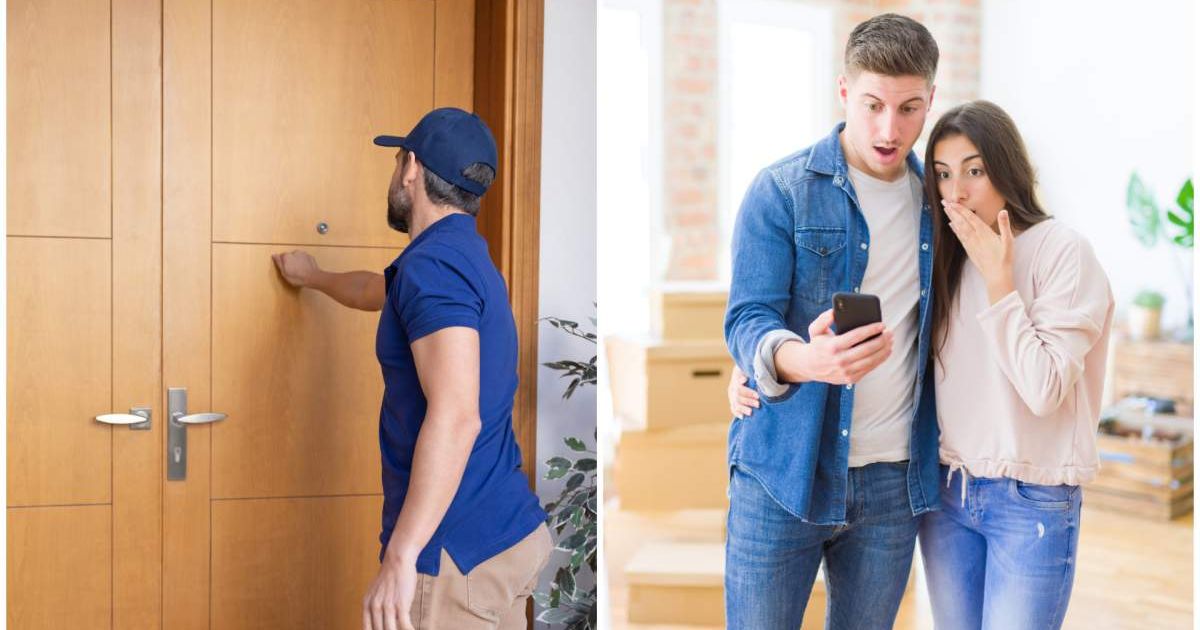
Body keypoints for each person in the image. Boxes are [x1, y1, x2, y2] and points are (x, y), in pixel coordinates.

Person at [731, 99, 1114, 630]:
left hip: (1025, 498)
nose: (956, 191)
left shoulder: (1058, 251)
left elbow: (1044, 387)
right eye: (943, 174)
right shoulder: (943, 247)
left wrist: (1001, 281)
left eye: (975, 171)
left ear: (1008, 167)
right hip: (945, 492)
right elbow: (762, 312)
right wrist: (774, 358)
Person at [273, 108, 551, 630]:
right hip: (504, 534)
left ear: (411, 169)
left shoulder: (434, 269)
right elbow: (374, 290)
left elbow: (457, 416)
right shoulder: (456, 258)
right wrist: (313, 276)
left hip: (453, 554)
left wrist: (402, 555)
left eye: (398, 158)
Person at [722, 13, 942, 629]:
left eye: (908, 108)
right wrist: (801, 359)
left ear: (931, 101)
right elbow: (747, 318)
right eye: (873, 103)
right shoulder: (782, 190)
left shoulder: (939, 207)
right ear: (844, 91)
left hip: (894, 484)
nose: (888, 128)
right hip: (781, 473)